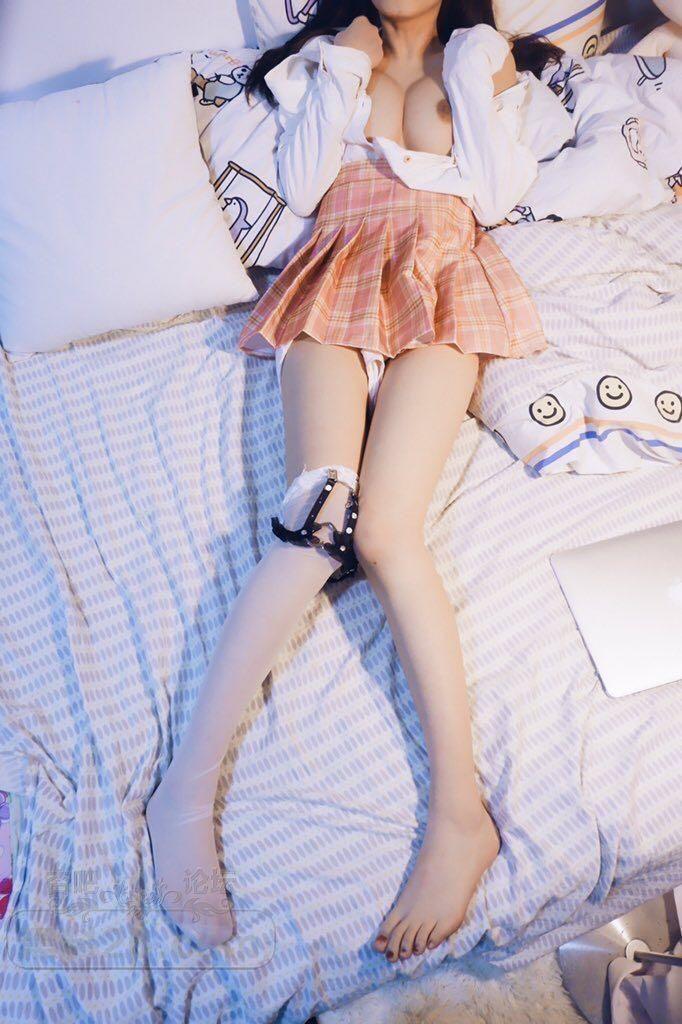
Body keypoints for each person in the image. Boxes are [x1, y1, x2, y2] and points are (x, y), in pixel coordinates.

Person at [144, 0, 561, 963]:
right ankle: (184, 795)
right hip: (334, 273)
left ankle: (461, 813)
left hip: (444, 278)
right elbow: (298, 190)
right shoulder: (323, 59)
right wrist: (337, 65)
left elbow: (495, 194)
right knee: (317, 520)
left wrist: (473, 66)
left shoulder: (486, 60)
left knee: (386, 536)